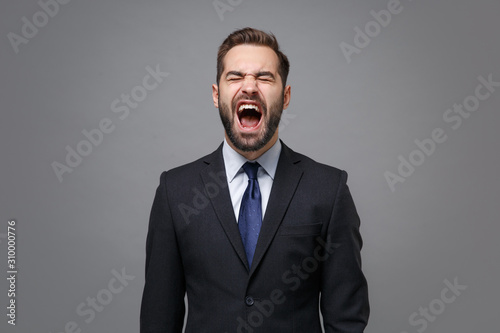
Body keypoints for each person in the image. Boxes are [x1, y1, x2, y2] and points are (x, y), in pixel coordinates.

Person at [140, 27, 369, 332]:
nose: (249, 87)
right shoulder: (175, 191)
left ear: (285, 96)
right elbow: (158, 319)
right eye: (235, 77)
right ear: (216, 94)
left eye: (264, 77)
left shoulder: (328, 190)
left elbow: (347, 321)